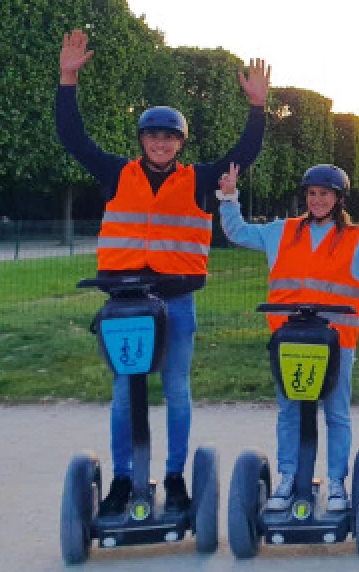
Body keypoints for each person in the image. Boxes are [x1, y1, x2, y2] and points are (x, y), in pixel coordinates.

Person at [55, 28, 269, 516]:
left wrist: (256, 110)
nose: (160, 142)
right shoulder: (118, 174)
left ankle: (173, 476)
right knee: (123, 395)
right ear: (142, 140)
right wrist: (68, 81)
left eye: (169, 136)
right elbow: (73, 138)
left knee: (175, 388)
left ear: (179, 143)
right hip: (125, 300)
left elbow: (244, 155)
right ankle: (123, 478)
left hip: (175, 298)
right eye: (153, 135)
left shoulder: (197, 181)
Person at [218, 162, 359, 511]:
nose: (317, 200)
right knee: (288, 410)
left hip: (337, 341)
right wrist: (229, 198)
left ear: (338, 199)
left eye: (325, 194)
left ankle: (336, 482)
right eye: (312, 193)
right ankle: (288, 477)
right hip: (289, 339)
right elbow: (238, 232)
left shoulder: (358, 238)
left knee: (336, 412)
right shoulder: (282, 231)